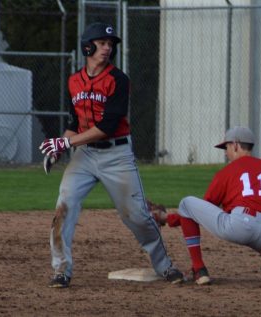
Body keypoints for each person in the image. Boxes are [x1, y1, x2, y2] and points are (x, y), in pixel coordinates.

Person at [39, 22, 183, 288]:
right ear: (87, 46)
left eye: (110, 44)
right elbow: (74, 123)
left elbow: (106, 127)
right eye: (102, 43)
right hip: (83, 156)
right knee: (63, 208)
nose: (107, 48)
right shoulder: (74, 81)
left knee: (137, 216)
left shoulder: (118, 79)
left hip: (116, 155)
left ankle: (164, 266)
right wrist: (59, 148)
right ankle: (61, 269)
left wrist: (64, 143)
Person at [154, 126, 261, 287]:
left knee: (187, 203)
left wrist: (167, 218)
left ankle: (199, 270)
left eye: (226, 147)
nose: (226, 153)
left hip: (239, 225)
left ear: (235, 145)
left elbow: (200, 211)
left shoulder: (227, 172)